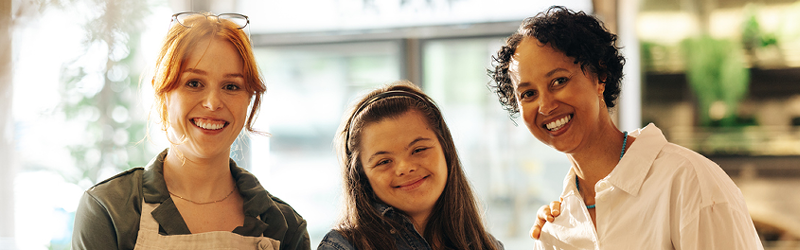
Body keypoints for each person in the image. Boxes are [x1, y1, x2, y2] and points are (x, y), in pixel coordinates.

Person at [487, 6, 763, 250]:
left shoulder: (688, 184)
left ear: (600, 76)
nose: (545, 106)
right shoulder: (555, 229)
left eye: (559, 81)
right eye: (528, 94)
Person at [72, 12, 310, 250]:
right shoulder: (110, 211)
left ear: (249, 98)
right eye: (194, 83)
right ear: (162, 93)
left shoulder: (286, 226)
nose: (213, 103)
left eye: (231, 86)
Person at [317, 81, 504, 250]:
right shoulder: (342, 247)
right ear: (361, 175)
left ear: (446, 150)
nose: (405, 168)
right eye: (383, 161)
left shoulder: (487, 245)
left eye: (418, 150)